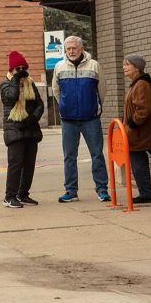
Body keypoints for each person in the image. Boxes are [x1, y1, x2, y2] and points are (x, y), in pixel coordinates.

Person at [52, 36, 111, 203]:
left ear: (81, 48)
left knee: (97, 154)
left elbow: (102, 89)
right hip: (68, 119)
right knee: (69, 156)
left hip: (90, 118)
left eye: (74, 48)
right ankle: (71, 191)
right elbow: (56, 90)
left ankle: (102, 189)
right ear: (65, 50)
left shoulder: (94, 65)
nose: (71, 51)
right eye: (68, 48)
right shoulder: (59, 66)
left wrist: (94, 106)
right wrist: (65, 106)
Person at [0, 51, 44, 208]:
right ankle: (9, 197)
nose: (21, 71)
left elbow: (40, 104)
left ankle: (23, 194)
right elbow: (10, 98)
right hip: (14, 129)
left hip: (31, 128)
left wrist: (33, 118)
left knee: (29, 164)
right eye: (17, 69)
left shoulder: (30, 83)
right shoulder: (6, 83)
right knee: (16, 164)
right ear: (11, 70)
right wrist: (16, 80)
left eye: (23, 68)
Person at [122, 54, 151, 204]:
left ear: (137, 67)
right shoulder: (136, 83)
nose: (124, 67)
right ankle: (146, 194)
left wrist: (133, 122)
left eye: (127, 64)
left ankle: (146, 194)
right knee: (138, 163)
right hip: (138, 132)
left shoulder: (141, 84)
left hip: (142, 132)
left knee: (138, 164)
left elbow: (145, 108)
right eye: (124, 64)